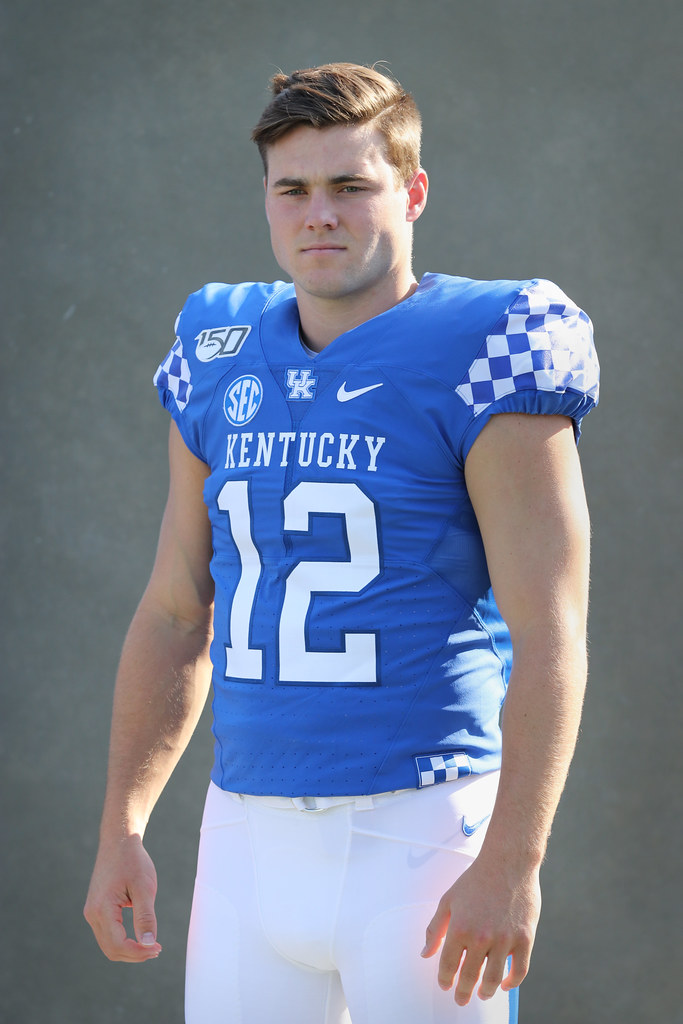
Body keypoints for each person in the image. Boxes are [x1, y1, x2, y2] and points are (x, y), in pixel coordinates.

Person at [84, 62, 599, 1024]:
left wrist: (512, 861)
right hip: (243, 832)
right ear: (265, 200)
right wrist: (123, 825)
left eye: (350, 186)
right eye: (293, 189)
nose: (319, 214)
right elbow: (176, 610)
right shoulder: (218, 344)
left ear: (412, 191)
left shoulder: (488, 342)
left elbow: (552, 631)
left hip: (421, 830)